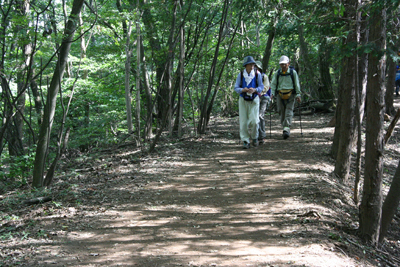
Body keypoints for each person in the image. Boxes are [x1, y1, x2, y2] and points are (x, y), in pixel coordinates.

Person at [234, 56, 264, 149]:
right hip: (243, 99)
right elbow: (236, 88)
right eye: (250, 64)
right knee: (243, 121)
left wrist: (255, 90)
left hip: (254, 99)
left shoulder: (257, 74)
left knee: (255, 121)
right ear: (246, 65)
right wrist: (243, 90)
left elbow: (261, 87)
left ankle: (255, 138)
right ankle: (245, 141)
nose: (252, 66)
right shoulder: (241, 75)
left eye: (253, 64)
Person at [270, 55, 301, 139]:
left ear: (288, 63)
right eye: (281, 64)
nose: (283, 66)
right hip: (280, 95)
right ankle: (285, 127)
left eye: (284, 64)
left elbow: (297, 84)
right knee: (281, 111)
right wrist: (272, 94)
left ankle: (286, 129)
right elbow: (273, 84)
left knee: (289, 111)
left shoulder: (292, 73)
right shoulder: (277, 73)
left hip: (291, 95)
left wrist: (298, 94)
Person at [254, 61, 271, 144]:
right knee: (254, 117)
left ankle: (261, 136)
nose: (255, 69)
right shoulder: (251, 77)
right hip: (254, 98)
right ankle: (255, 135)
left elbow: (266, 88)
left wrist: (258, 93)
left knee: (260, 116)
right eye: (254, 67)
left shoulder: (264, 76)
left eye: (257, 68)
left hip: (264, 97)